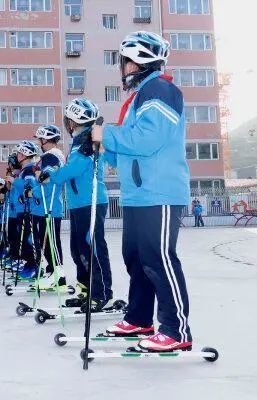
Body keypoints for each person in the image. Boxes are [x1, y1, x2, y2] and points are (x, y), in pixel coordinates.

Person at [91, 31, 192, 352]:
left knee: (159, 259)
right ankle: (139, 318)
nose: (122, 67)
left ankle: (177, 330)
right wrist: (99, 144)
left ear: (140, 61)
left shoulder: (160, 91)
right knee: (136, 258)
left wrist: (106, 134)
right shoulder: (141, 96)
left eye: (125, 61)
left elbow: (148, 139)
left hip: (159, 192)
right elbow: (129, 147)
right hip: (138, 193)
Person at [48, 99, 115, 310]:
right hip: (79, 204)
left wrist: (51, 174)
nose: (67, 124)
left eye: (68, 120)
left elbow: (73, 170)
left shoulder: (87, 141)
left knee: (93, 247)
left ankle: (102, 292)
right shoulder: (80, 140)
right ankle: (86, 289)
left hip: (91, 201)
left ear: (72, 121)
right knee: (78, 250)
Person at [29, 125, 67, 290]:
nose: (39, 142)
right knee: (49, 242)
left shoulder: (50, 157)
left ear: (45, 139)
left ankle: (59, 276)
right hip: (49, 204)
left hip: (49, 204)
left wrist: (34, 192)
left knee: (51, 242)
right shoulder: (55, 155)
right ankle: (54, 273)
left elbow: (48, 182)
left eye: (40, 139)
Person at [11, 140, 41, 280]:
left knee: (29, 239)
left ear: (26, 153)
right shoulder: (24, 170)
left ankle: (33, 266)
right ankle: (29, 264)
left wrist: (14, 181)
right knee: (22, 238)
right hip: (21, 209)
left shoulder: (29, 169)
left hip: (28, 210)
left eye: (20, 152)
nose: (18, 155)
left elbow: (29, 187)